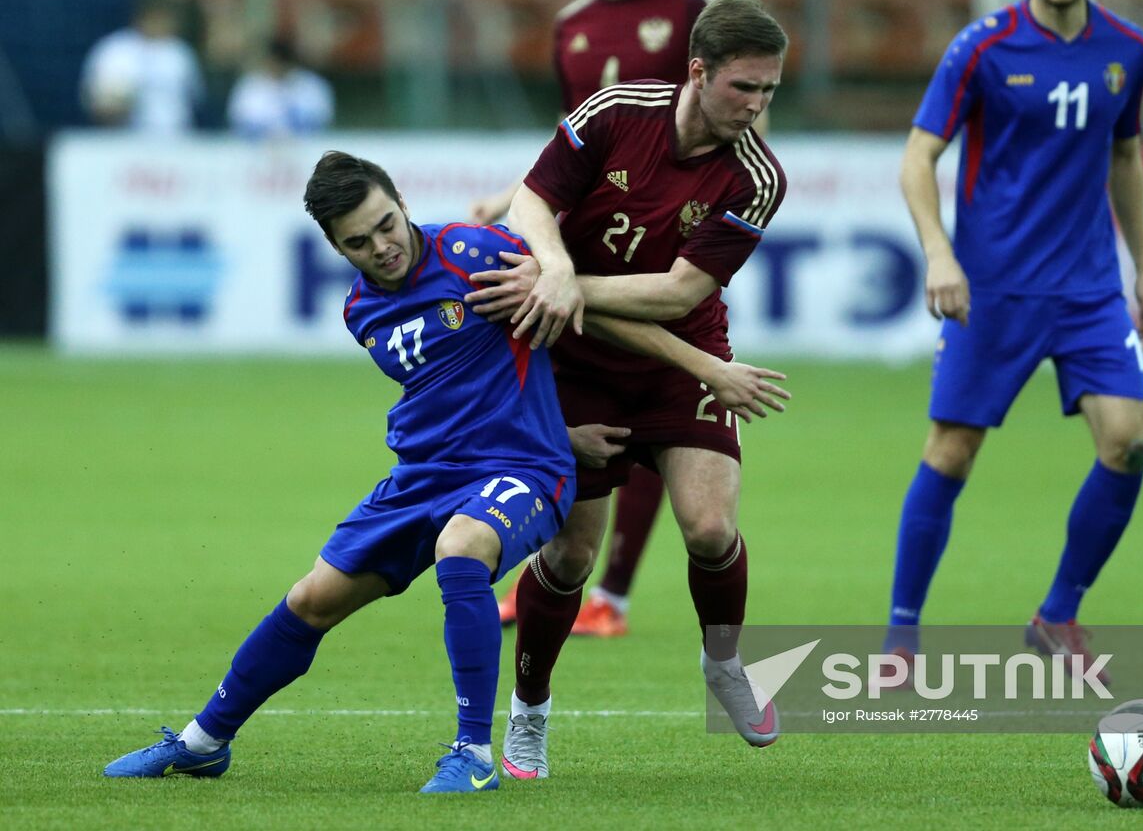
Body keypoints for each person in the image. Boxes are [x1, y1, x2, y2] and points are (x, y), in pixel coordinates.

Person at [102, 150, 788, 793]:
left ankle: (473, 754)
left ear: (402, 203)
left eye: (386, 226)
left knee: (463, 548)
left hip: (522, 469)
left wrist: (694, 372)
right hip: (423, 476)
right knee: (312, 599)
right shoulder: (360, 310)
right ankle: (202, 741)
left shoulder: (477, 255)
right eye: (359, 243)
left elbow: (579, 309)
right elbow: (454, 388)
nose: (382, 248)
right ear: (337, 248)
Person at [465, 0, 790, 776]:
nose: (756, 105)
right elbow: (533, 202)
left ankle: (723, 665)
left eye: (770, 90)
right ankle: (531, 713)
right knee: (573, 558)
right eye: (743, 86)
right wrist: (555, 269)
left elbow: (679, 295)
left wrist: (556, 282)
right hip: (573, 361)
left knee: (710, 531)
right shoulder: (614, 110)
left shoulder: (757, 180)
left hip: (681, 352)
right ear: (698, 70)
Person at [884, 0, 1143, 684]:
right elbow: (917, 158)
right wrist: (939, 254)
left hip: (1087, 291)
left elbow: (1125, 157)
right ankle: (901, 635)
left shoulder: (1127, 49)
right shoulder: (981, 46)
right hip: (994, 289)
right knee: (952, 451)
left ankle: (1059, 614)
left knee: (1131, 437)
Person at [472, 0, 724, 639]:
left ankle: (610, 594)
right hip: (591, 243)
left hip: (674, 241)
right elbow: (570, 139)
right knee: (592, 405)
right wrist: (511, 194)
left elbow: (740, 130)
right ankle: (569, 573)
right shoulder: (571, 24)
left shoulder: (697, 11)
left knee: (659, 406)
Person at [79, 0, 204, 133]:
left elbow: (195, 100)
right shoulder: (114, 50)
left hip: (176, 139)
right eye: (153, 18)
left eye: (164, 18)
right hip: (123, 139)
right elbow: (96, 102)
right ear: (139, 18)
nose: (159, 23)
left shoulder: (180, 52)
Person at [226, 36, 334, 138]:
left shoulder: (312, 86)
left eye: (281, 64)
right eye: (273, 63)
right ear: (267, 61)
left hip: (304, 147)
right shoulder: (250, 86)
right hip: (257, 149)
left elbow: (322, 120)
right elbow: (238, 121)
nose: (277, 68)